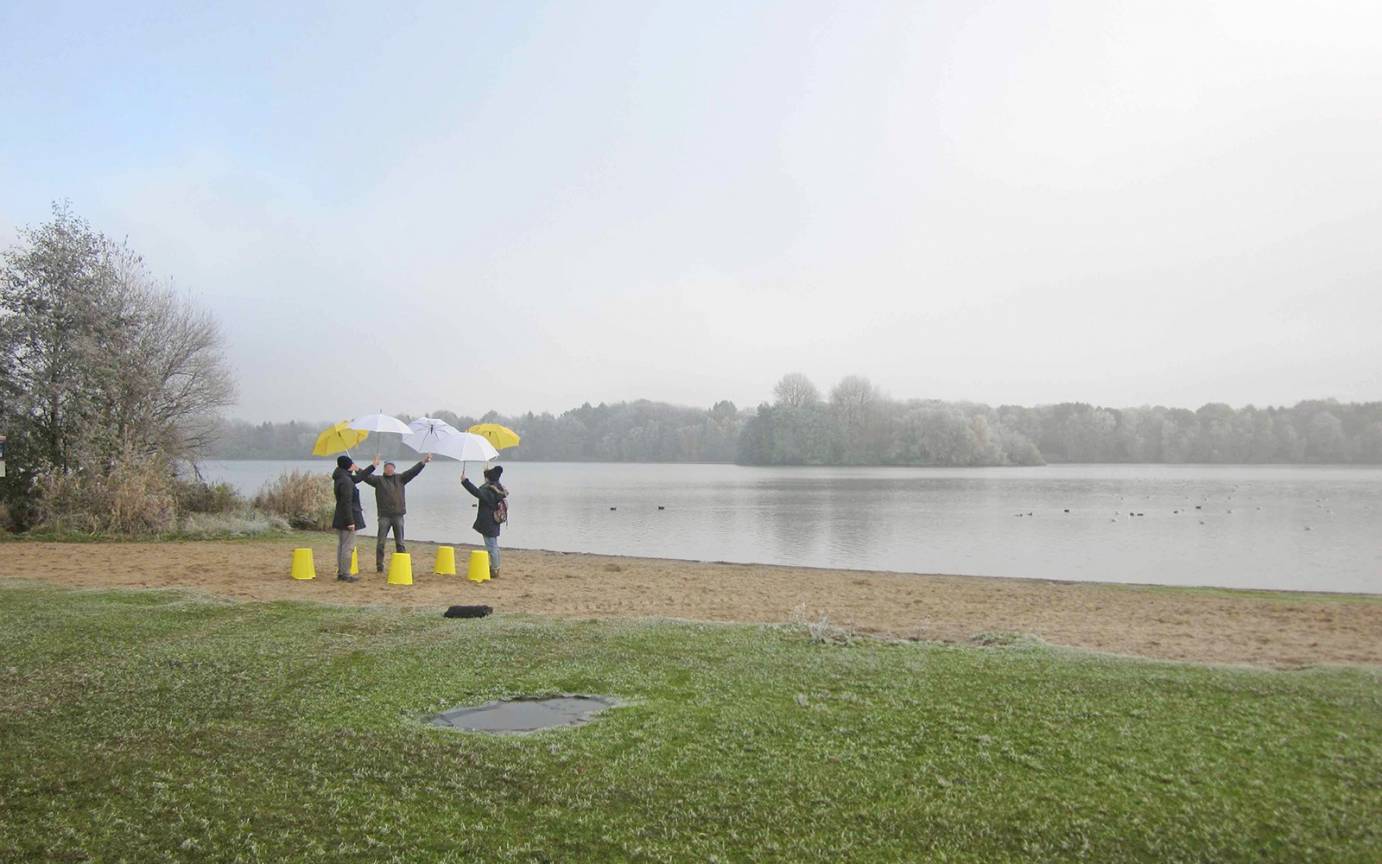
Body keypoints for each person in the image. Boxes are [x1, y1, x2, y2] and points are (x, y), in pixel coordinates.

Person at [359, 453, 431, 572]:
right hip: (384, 516)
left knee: (400, 543)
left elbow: (413, 472)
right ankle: (379, 566)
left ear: (394, 468)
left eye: (391, 466)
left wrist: (423, 462)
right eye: (387, 467)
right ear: (384, 468)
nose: (389, 468)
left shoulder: (401, 478)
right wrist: (357, 469)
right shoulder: (378, 480)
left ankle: (401, 565)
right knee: (381, 543)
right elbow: (365, 476)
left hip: (398, 516)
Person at [461, 464, 508, 579]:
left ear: (488, 478)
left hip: (488, 521)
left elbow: (477, 492)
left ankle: (495, 569)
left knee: (491, 546)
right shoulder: (498, 488)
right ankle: (495, 567)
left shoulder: (489, 491)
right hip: (495, 521)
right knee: (494, 546)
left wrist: (465, 481)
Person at [330, 455, 359, 582]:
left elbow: (357, 478)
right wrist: (350, 522)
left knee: (342, 546)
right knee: (348, 547)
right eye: (352, 464)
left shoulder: (341, 477)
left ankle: (341, 572)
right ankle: (346, 573)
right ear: (348, 466)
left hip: (340, 516)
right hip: (346, 518)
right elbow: (346, 502)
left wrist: (373, 467)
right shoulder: (346, 481)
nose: (354, 465)